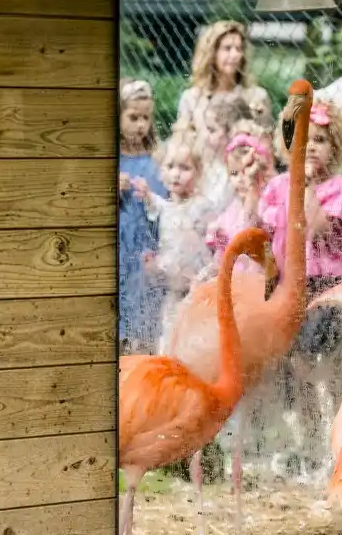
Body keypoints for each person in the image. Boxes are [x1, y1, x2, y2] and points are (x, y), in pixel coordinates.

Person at [259, 100, 342, 470]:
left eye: (320, 141)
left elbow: (317, 227)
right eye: (303, 140)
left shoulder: (335, 189)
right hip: (287, 285)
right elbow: (262, 230)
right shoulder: (278, 186)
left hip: (323, 286)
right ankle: (310, 442)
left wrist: (308, 185)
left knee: (322, 362)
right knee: (295, 363)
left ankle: (335, 438)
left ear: (336, 148)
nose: (310, 147)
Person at [134, 131, 216, 349]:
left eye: (185, 168)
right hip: (172, 291)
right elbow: (160, 207)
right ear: (161, 172)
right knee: (169, 339)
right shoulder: (167, 207)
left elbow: (216, 243)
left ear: (199, 173)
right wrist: (155, 263)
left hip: (197, 290)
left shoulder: (203, 206)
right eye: (170, 167)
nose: (176, 174)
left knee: (197, 341)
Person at [115, 79, 164, 353]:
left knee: (143, 315)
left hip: (144, 250)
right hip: (120, 249)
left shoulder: (156, 160)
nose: (140, 125)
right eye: (133, 117)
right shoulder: (111, 159)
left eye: (145, 118)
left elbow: (164, 206)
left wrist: (151, 197)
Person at [175, 20, 271, 141]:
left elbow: (266, 143)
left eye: (239, 48)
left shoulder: (257, 96)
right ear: (211, 53)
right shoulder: (191, 98)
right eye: (227, 48)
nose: (235, 54)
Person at [205, 125, 275, 277]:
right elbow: (222, 254)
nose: (241, 179)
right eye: (234, 173)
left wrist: (253, 188)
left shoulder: (265, 203)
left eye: (246, 172)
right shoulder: (231, 210)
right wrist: (218, 234)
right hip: (233, 280)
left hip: (259, 279)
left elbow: (253, 222)